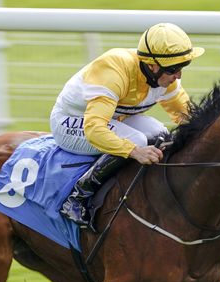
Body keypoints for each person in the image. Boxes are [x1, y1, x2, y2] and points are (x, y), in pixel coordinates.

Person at [50, 22, 204, 226]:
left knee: (160, 133)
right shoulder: (114, 70)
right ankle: (77, 197)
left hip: (112, 119)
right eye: (174, 69)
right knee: (138, 140)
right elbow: (95, 129)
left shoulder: (166, 78)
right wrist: (134, 151)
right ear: (152, 65)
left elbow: (187, 116)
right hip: (72, 122)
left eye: (183, 66)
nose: (179, 75)